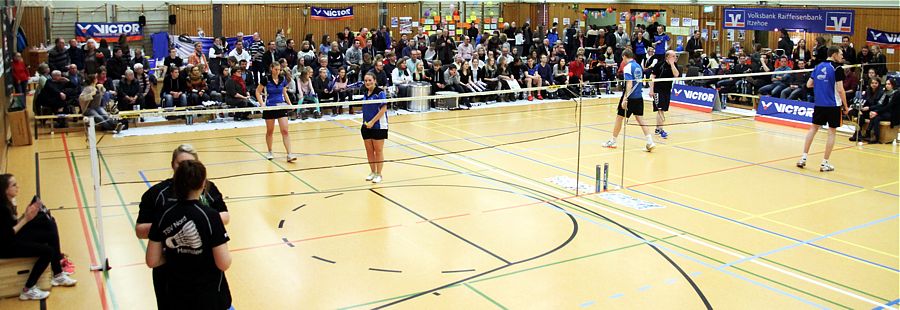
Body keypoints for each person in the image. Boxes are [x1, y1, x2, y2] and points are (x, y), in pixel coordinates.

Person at [146, 160, 232, 310]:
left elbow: (152, 261)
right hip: (209, 297)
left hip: (175, 296)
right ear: (203, 184)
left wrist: (177, 256)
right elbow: (224, 263)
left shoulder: (163, 214)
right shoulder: (211, 216)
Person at [0, 174, 78, 301]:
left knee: (48, 224)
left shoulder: (8, 202)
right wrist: (26, 218)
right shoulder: (2, 209)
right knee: (47, 251)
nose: (17, 187)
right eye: (13, 185)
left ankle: (57, 274)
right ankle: (28, 289)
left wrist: (28, 214)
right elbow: (7, 235)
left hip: (12, 238)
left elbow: (13, 226)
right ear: (5, 190)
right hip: (6, 247)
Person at [797, 46, 848, 172]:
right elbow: (840, 90)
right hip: (833, 105)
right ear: (834, 54)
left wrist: (821, 86)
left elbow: (809, 84)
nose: (842, 56)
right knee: (831, 132)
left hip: (819, 104)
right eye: (841, 54)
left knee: (813, 129)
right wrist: (846, 106)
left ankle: (803, 158)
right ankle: (824, 163)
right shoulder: (838, 68)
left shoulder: (818, 66)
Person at [602, 49, 656, 152]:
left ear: (624, 57)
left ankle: (613, 141)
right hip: (639, 97)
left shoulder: (628, 67)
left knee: (619, 118)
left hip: (630, 97)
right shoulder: (638, 66)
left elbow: (629, 84)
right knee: (640, 119)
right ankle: (650, 141)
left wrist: (625, 98)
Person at [256, 63, 298, 162]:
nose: (277, 71)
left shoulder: (282, 79)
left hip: (281, 106)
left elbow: (284, 92)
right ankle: (270, 151)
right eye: (275, 69)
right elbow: (258, 92)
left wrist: (290, 104)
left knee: (285, 131)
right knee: (270, 131)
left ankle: (289, 154)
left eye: (279, 69)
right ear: (271, 69)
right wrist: (262, 104)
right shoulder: (266, 79)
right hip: (270, 107)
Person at [361, 73, 388, 183]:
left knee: (378, 150)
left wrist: (373, 122)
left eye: (370, 80)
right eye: (366, 80)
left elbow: (383, 109)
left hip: (378, 126)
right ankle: (372, 172)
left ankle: (379, 174)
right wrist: (367, 123)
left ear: (375, 80)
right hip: (366, 125)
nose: (367, 82)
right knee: (369, 151)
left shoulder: (380, 92)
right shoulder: (365, 93)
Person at [649, 50, 679, 139]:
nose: (675, 58)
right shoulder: (659, 65)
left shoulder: (674, 65)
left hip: (667, 90)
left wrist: (672, 64)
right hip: (658, 90)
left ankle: (658, 128)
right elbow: (652, 77)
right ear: (667, 57)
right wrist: (651, 90)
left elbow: (676, 75)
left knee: (663, 109)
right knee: (660, 109)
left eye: (675, 56)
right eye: (673, 56)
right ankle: (661, 129)